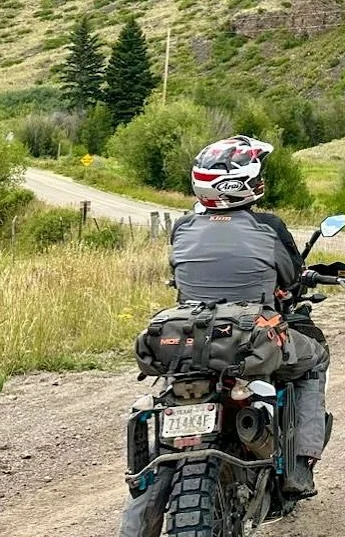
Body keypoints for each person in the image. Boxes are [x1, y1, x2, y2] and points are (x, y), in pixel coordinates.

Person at [118, 137, 330, 536]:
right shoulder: (268, 227)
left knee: (164, 401)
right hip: (248, 340)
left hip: (183, 340)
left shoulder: (183, 227)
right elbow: (290, 277)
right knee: (314, 359)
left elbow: (178, 275)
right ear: (246, 184)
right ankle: (300, 465)